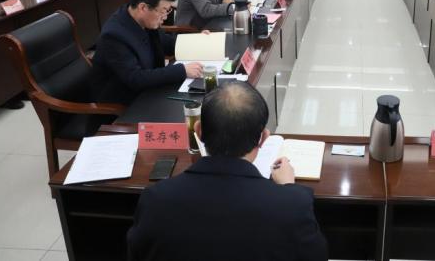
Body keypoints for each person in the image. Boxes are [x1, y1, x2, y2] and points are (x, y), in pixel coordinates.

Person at [127, 81, 328, 261]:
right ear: (263, 138)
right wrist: (289, 188)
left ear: (199, 131)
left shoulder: (155, 199)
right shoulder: (292, 206)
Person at [90, 0, 204, 105]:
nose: (165, 17)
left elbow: (166, 43)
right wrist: (181, 70)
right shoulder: (113, 36)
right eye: (163, 11)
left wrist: (197, 42)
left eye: (168, 10)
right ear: (143, 7)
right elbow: (136, 78)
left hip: (149, 91)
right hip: (126, 103)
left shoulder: (144, 20)